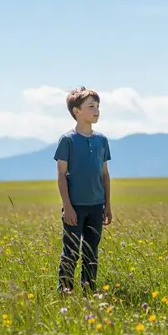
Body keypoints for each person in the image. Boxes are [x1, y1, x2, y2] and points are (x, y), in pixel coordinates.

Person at [53, 86, 112, 293]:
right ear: (77, 111)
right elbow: (61, 175)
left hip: (97, 205)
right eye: (91, 106)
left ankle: (89, 291)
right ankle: (64, 292)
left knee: (91, 252)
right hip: (75, 206)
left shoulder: (102, 140)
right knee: (70, 252)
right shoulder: (67, 140)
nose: (96, 110)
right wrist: (67, 207)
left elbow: (105, 175)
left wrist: (108, 205)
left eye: (98, 106)